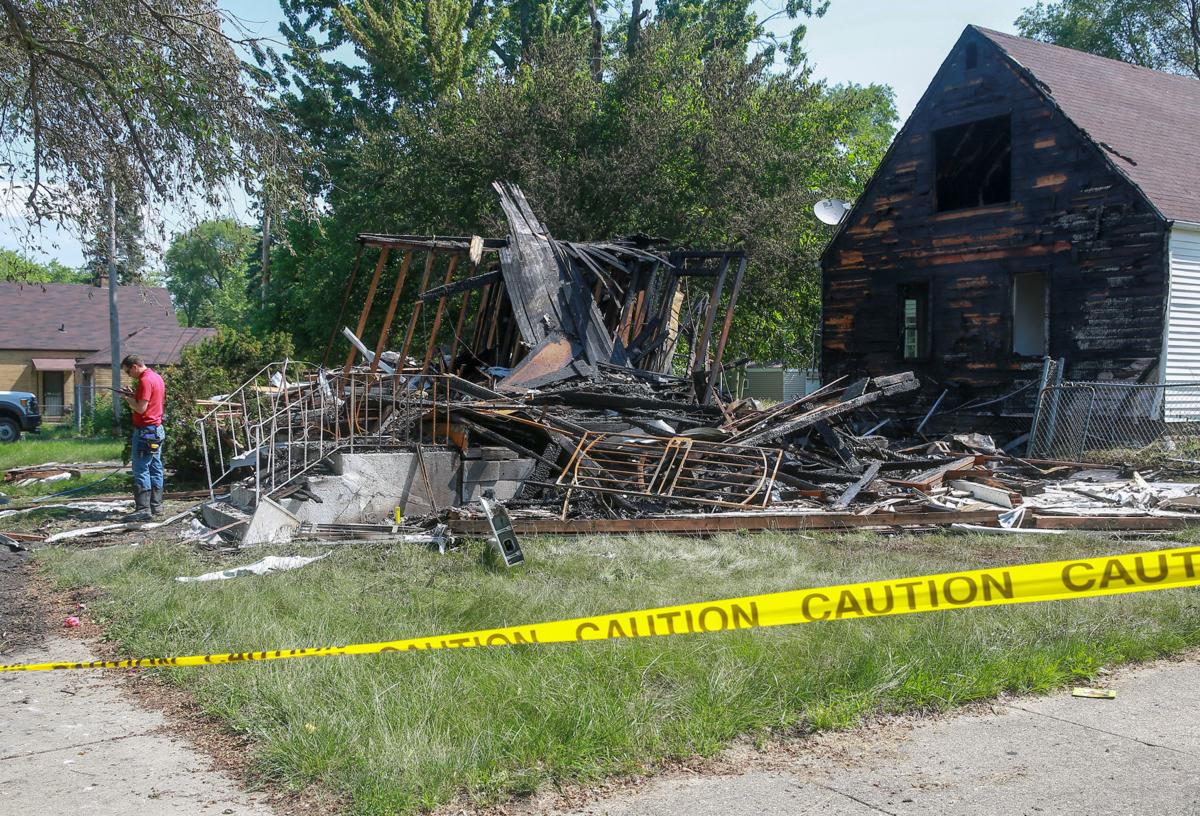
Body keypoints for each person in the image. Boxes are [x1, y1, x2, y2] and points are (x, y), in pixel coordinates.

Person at [118, 355, 166, 521]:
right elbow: (151, 402)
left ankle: (143, 509)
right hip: (157, 429)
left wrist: (127, 399)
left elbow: (141, 408)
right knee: (155, 466)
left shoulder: (145, 380)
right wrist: (133, 395)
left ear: (134, 367)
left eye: (128, 372)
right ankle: (156, 506)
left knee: (141, 468)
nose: (129, 376)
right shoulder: (156, 377)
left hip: (146, 431)